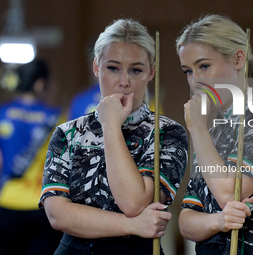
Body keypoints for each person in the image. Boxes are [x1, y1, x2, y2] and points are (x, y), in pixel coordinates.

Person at [39, 19, 188, 255]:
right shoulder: (67, 133)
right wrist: (133, 225)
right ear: (96, 67)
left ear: (151, 72)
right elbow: (57, 215)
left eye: (136, 70)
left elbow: (133, 202)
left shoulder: (168, 133)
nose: (124, 81)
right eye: (113, 68)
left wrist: (110, 125)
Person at [177, 14, 253, 255]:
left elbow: (228, 193)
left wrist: (197, 129)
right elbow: (186, 221)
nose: (196, 81)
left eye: (204, 66)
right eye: (188, 71)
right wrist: (217, 222)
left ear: (238, 59)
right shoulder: (210, 130)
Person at [0, 58, 63, 255]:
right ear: (40, 84)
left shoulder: (2, 113)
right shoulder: (57, 118)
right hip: (43, 208)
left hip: (6, 204)